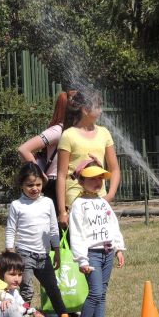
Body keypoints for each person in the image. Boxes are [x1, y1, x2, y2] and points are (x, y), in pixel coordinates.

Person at [69, 159, 126, 317]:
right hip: (91, 254)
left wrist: (118, 248)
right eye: (92, 178)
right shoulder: (78, 205)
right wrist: (82, 260)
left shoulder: (103, 202)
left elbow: (113, 226)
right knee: (95, 291)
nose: (98, 181)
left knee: (102, 292)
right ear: (81, 181)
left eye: (100, 177)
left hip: (107, 253)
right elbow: (77, 234)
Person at [5, 162, 67, 317]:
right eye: (30, 185)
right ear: (21, 185)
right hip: (24, 254)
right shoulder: (16, 205)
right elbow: (11, 229)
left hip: (44, 255)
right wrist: (10, 252)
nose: (35, 188)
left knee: (53, 289)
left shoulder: (48, 202)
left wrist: (57, 251)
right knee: (26, 291)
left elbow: (53, 228)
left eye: (38, 184)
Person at [56, 90, 120, 228]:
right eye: (98, 106)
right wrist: (62, 211)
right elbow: (61, 175)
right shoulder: (68, 135)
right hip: (75, 200)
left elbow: (114, 169)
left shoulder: (104, 133)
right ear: (85, 110)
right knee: (79, 239)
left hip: (99, 198)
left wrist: (110, 195)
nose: (101, 111)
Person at [18, 91, 72, 215]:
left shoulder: (74, 131)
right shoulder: (58, 130)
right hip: (55, 183)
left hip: (70, 182)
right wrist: (42, 176)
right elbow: (24, 149)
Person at [0, 251, 52, 317]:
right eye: (12, 274)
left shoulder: (14, 291)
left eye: (20, 275)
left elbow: (24, 305)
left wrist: (36, 313)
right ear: (1, 274)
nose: (17, 279)